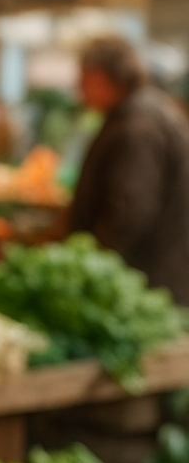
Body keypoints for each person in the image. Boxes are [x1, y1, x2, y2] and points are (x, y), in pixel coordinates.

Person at [70, 37, 189, 304]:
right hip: (159, 275)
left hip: (150, 280)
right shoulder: (145, 111)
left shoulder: (139, 126)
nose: (79, 89)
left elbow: (129, 211)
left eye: (84, 79)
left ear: (104, 76)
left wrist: (91, 266)